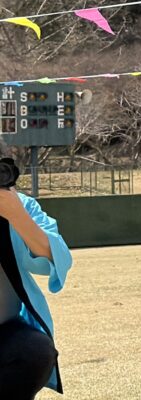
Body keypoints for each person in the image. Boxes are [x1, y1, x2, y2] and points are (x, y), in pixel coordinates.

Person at [0, 156, 72, 399]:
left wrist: (16, 215)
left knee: (34, 351)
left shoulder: (20, 206)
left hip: (5, 333)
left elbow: (57, 259)